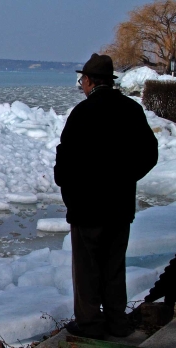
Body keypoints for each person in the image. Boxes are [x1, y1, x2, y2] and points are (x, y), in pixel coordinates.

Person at [54, 53, 158, 339]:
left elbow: (65, 161)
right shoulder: (130, 110)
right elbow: (150, 153)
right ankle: (116, 322)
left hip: (86, 207)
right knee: (113, 266)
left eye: (82, 80)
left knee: (87, 269)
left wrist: (70, 190)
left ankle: (90, 325)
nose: (82, 85)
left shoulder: (82, 113)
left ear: (88, 81)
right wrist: (124, 179)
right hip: (119, 207)